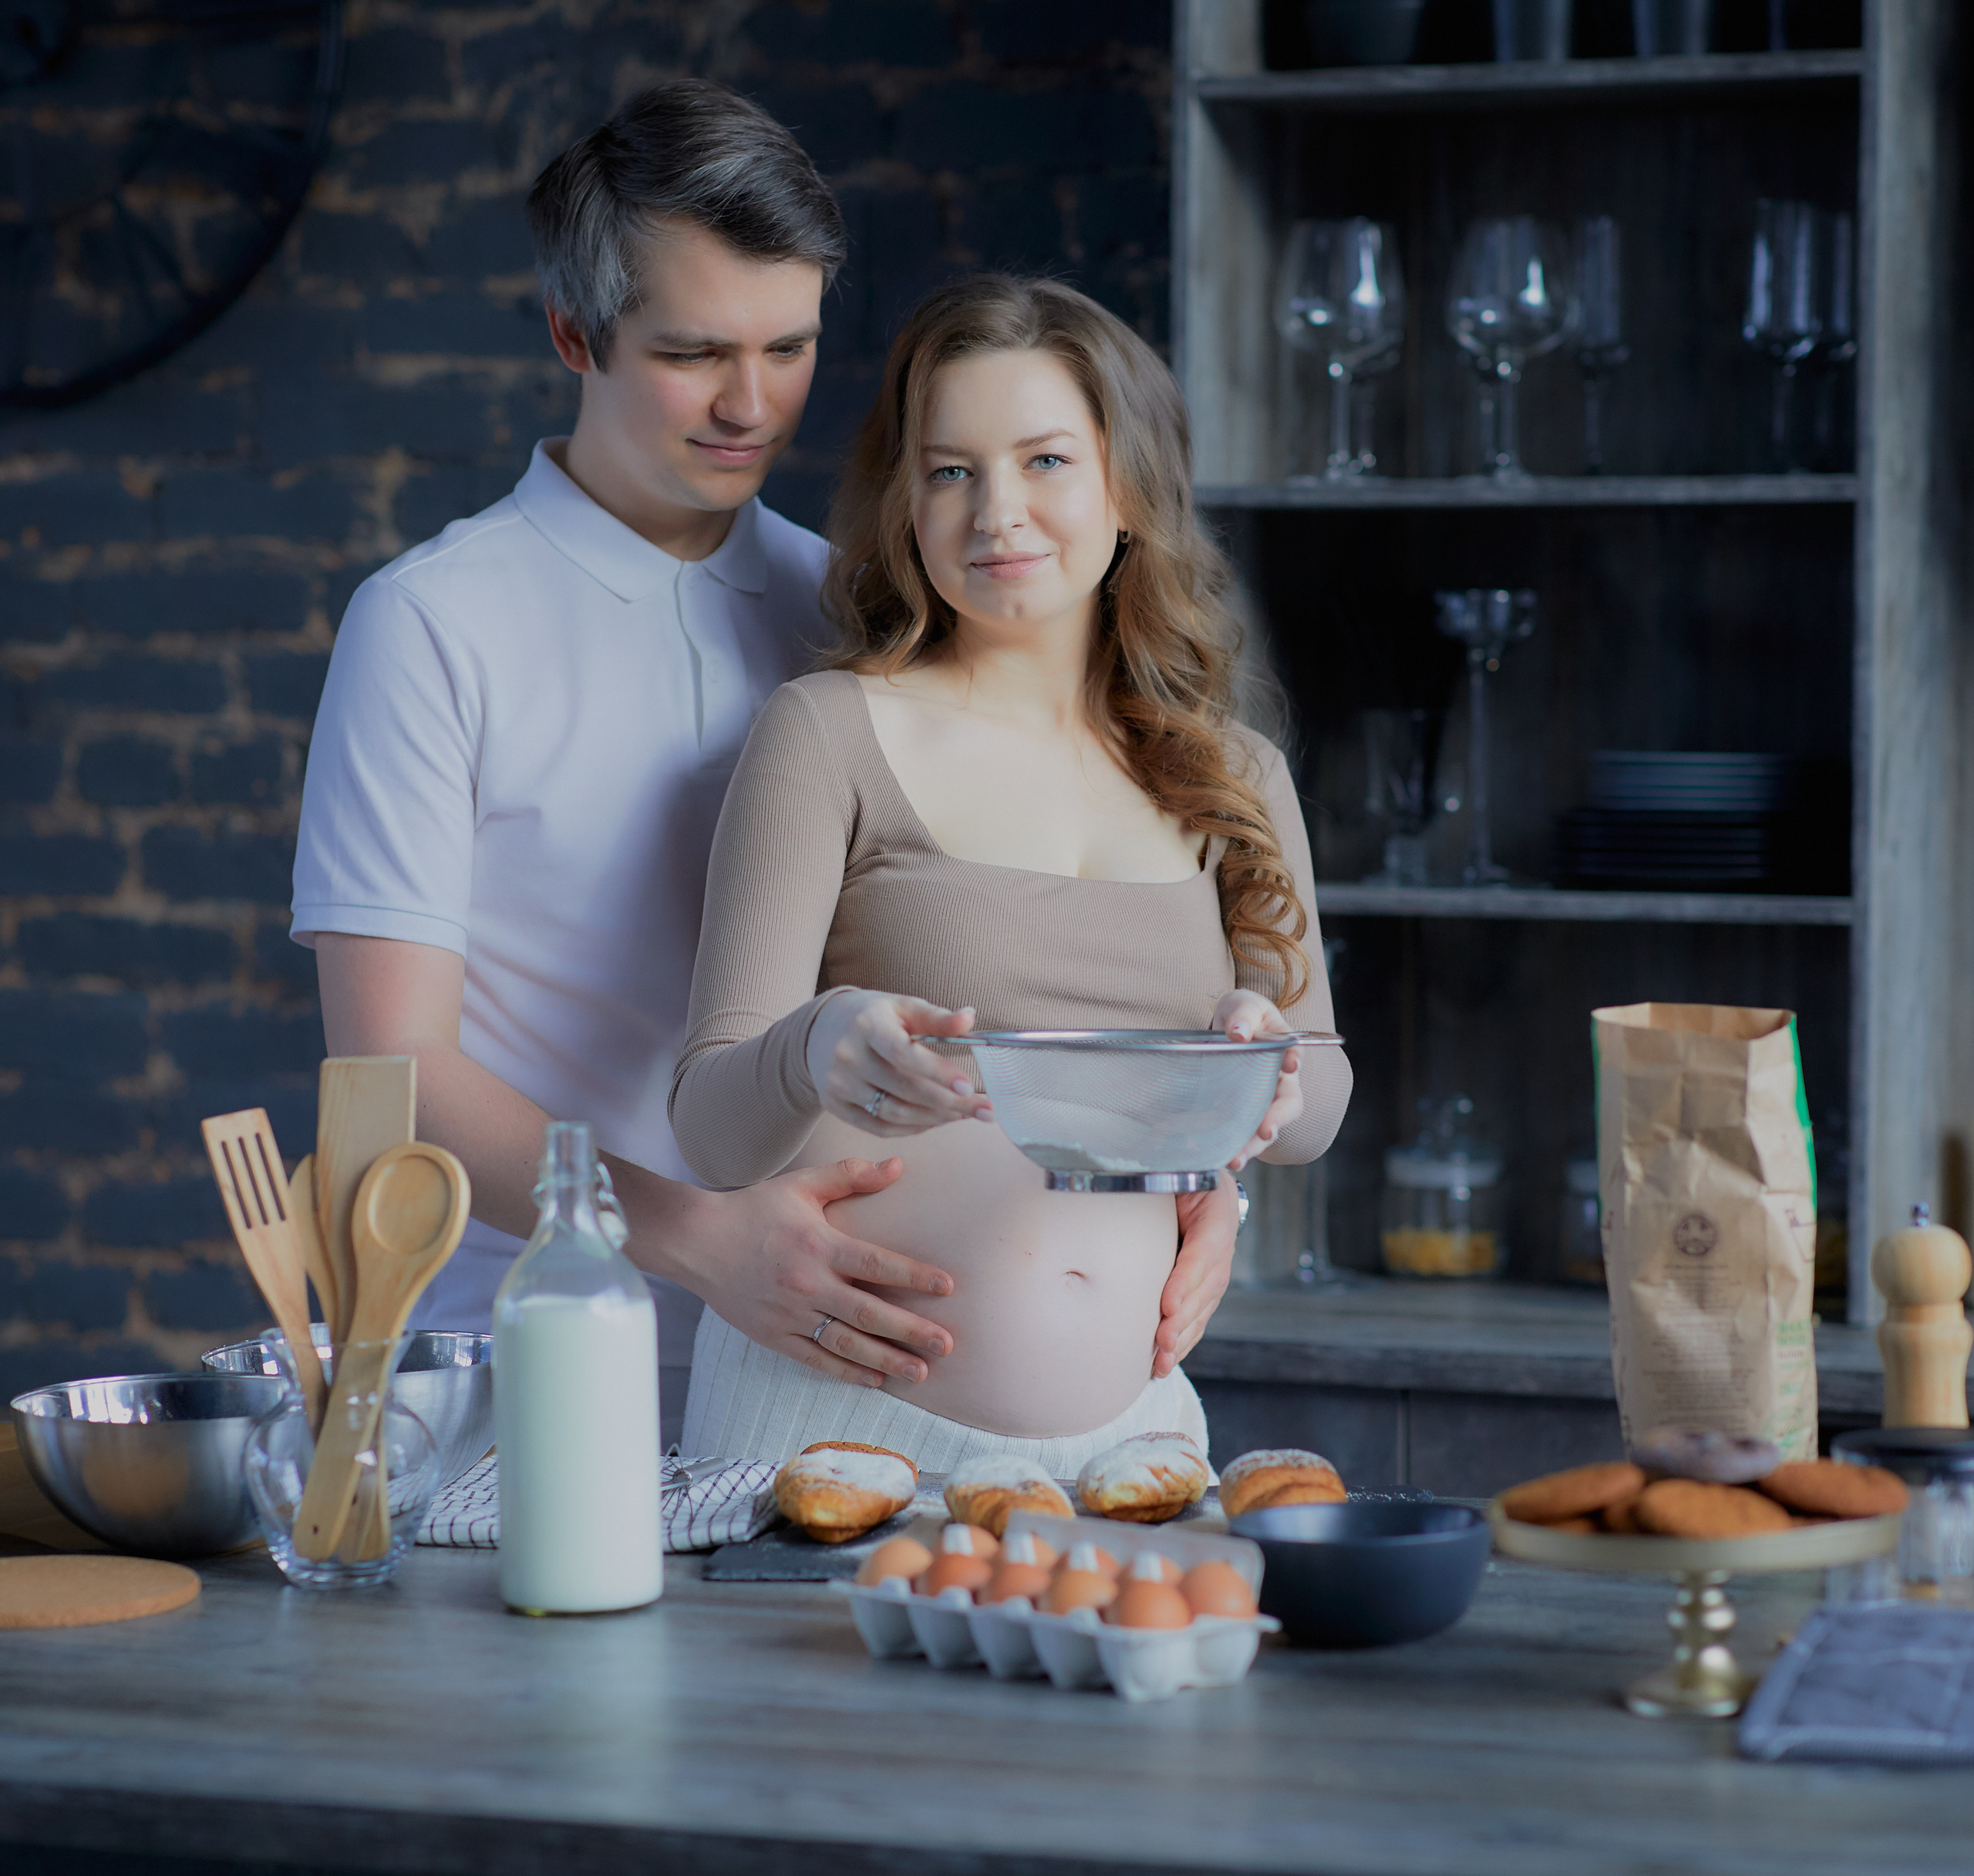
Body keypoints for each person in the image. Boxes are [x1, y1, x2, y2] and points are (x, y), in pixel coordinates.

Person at [290, 84, 1239, 1431]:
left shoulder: (859, 609)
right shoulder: (434, 624)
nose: (750, 405)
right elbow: (389, 1078)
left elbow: (1034, 955)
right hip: (520, 1372)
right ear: (575, 332)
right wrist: (699, 1236)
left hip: (836, 1377)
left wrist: (1193, 1178)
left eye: (787, 347)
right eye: (693, 354)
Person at [671, 275, 1352, 1469]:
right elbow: (712, 1129)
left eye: (1044, 461)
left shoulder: (1233, 774)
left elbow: (1323, 1097)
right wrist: (818, 1039)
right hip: (837, 1421)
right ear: (906, 501)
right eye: (950, 470)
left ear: (1127, 487)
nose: (997, 512)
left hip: (1134, 1431)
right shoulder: (829, 729)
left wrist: (1266, 1073)